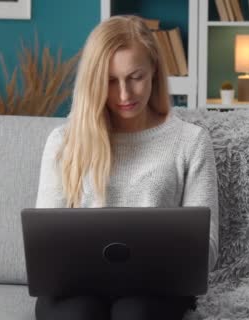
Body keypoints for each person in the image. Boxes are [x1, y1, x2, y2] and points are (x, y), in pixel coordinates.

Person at [34, 15, 219, 320]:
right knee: (80, 315)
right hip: (76, 289)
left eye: (136, 77)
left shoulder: (191, 141)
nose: (124, 94)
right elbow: (44, 248)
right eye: (110, 81)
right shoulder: (63, 142)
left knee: (135, 314)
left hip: (156, 289)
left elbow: (207, 250)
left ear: (154, 71)